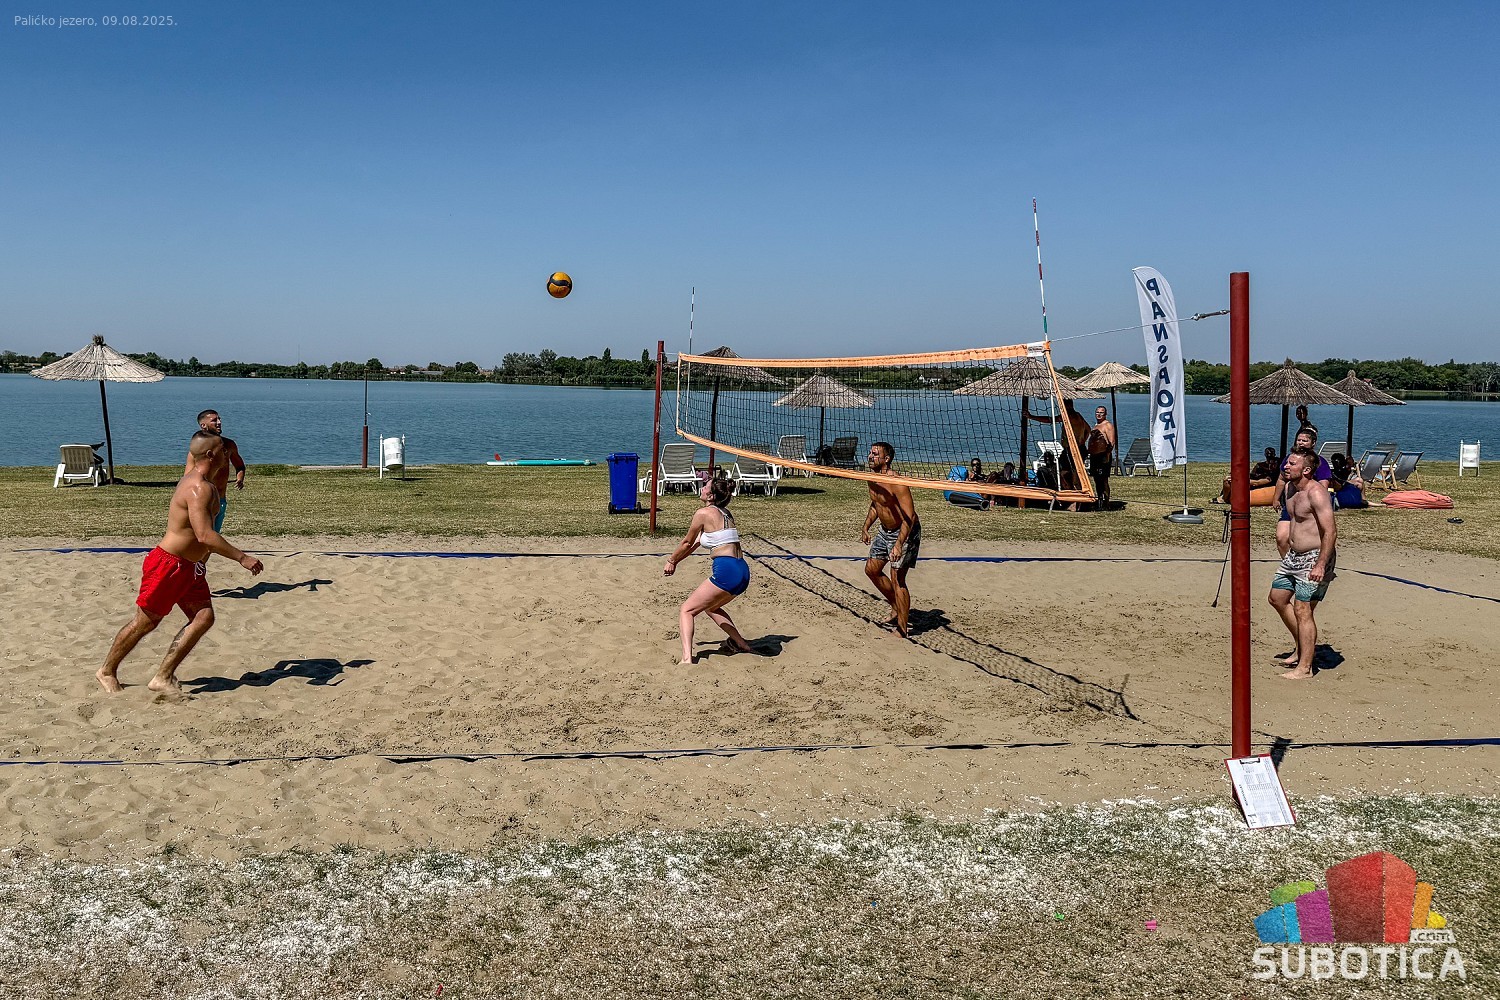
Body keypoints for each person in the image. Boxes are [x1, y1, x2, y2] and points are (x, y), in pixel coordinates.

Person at [97, 431, 264, 694]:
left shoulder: (205, 484)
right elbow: (204, 535)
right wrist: (242, 558)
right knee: (146, 622)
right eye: (223, 450)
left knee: (203, 617)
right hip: (168, 565)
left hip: (190, 567)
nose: (227, 454)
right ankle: (107, 670)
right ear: (210, 454)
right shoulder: (198, 487)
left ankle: (163, 676)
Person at [663, 475, 756, 665]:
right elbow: (695, 544)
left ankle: (687, 659)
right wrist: (676, 562)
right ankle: (742, 644)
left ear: (711, 496)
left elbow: (687, 542)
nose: (702, 488)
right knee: (711, 608)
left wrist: (671, 560)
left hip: (728, 571)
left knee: (687, 610)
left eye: (705, 486)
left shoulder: (703, 513)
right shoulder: (726, 513)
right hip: (743, 572)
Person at [1268, 447, 1337, 680]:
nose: (1286, 466)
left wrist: (1321, 564)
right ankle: (1303, 646)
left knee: (1302, 608)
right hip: (1294, 556)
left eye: (1292, 464)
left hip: (1314, 556)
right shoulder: (1290, 488)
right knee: (1277, 598)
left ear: (1306, 470)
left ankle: (1305, 667)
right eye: (1287, 463)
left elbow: (1330, 531)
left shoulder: (1316, 493)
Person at [861, 441, 920, 637]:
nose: (870, 456)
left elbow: (909, 516)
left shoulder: (896, 482)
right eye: (870, 453)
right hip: (885, 531)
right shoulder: (872, 478)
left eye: (875, 454)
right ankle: (896, 605)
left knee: (897, 579)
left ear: (886, 459)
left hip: (905, 531)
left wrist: (899, 544)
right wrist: (866, 527)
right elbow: (876, 504)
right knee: (871, 570)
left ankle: (902, 628)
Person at [184, 409, 247, 532]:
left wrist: (240, 478)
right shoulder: (197, 450)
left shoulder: (229, 445)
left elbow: (240, 466)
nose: (219, 422)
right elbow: (187, 477)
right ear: (203, 425)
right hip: (201, 500)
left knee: (213, 536)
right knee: (202, 536)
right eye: (214, 420)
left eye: (219, 419)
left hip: (220, 499)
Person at [1274, 428, 1332, 556]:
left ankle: (1318, 557)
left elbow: (1324, 485)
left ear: (1313, 443)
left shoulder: (1320, 462)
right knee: (1281, 538)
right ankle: (1289, 561)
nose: (1300, 443)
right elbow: (1281, 479)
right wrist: (1276, 498)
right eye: (1298, 440)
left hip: (1308, 505)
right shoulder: (1289, 459)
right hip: (1291, 503)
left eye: (1304, 441)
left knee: (1313, 537)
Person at [1214, 446, 1280, 504]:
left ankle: (1224, 498)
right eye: (1268, 456)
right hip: (1255, 482)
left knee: (1230, 481)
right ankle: (1225, 497)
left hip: (1261, 485)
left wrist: (1241, 481)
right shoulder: (1261, 465)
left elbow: (1259, 482)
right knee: (1228, 479)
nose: (1270, 460)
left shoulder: (1276, 467)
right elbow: (1252, 476)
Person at [1084, 405, 1117, 507]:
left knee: (1103, 480)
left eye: (1101, 412)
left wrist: (1107, 455)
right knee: (1096, 479)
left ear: (1105, 414)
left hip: (1103, 456)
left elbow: (1112, 442)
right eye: (1097, 412)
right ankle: (1099, 499)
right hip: (1094, 456)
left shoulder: (1107, 425)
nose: (1099, 414)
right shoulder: (1096, 426)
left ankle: (1106, 501)